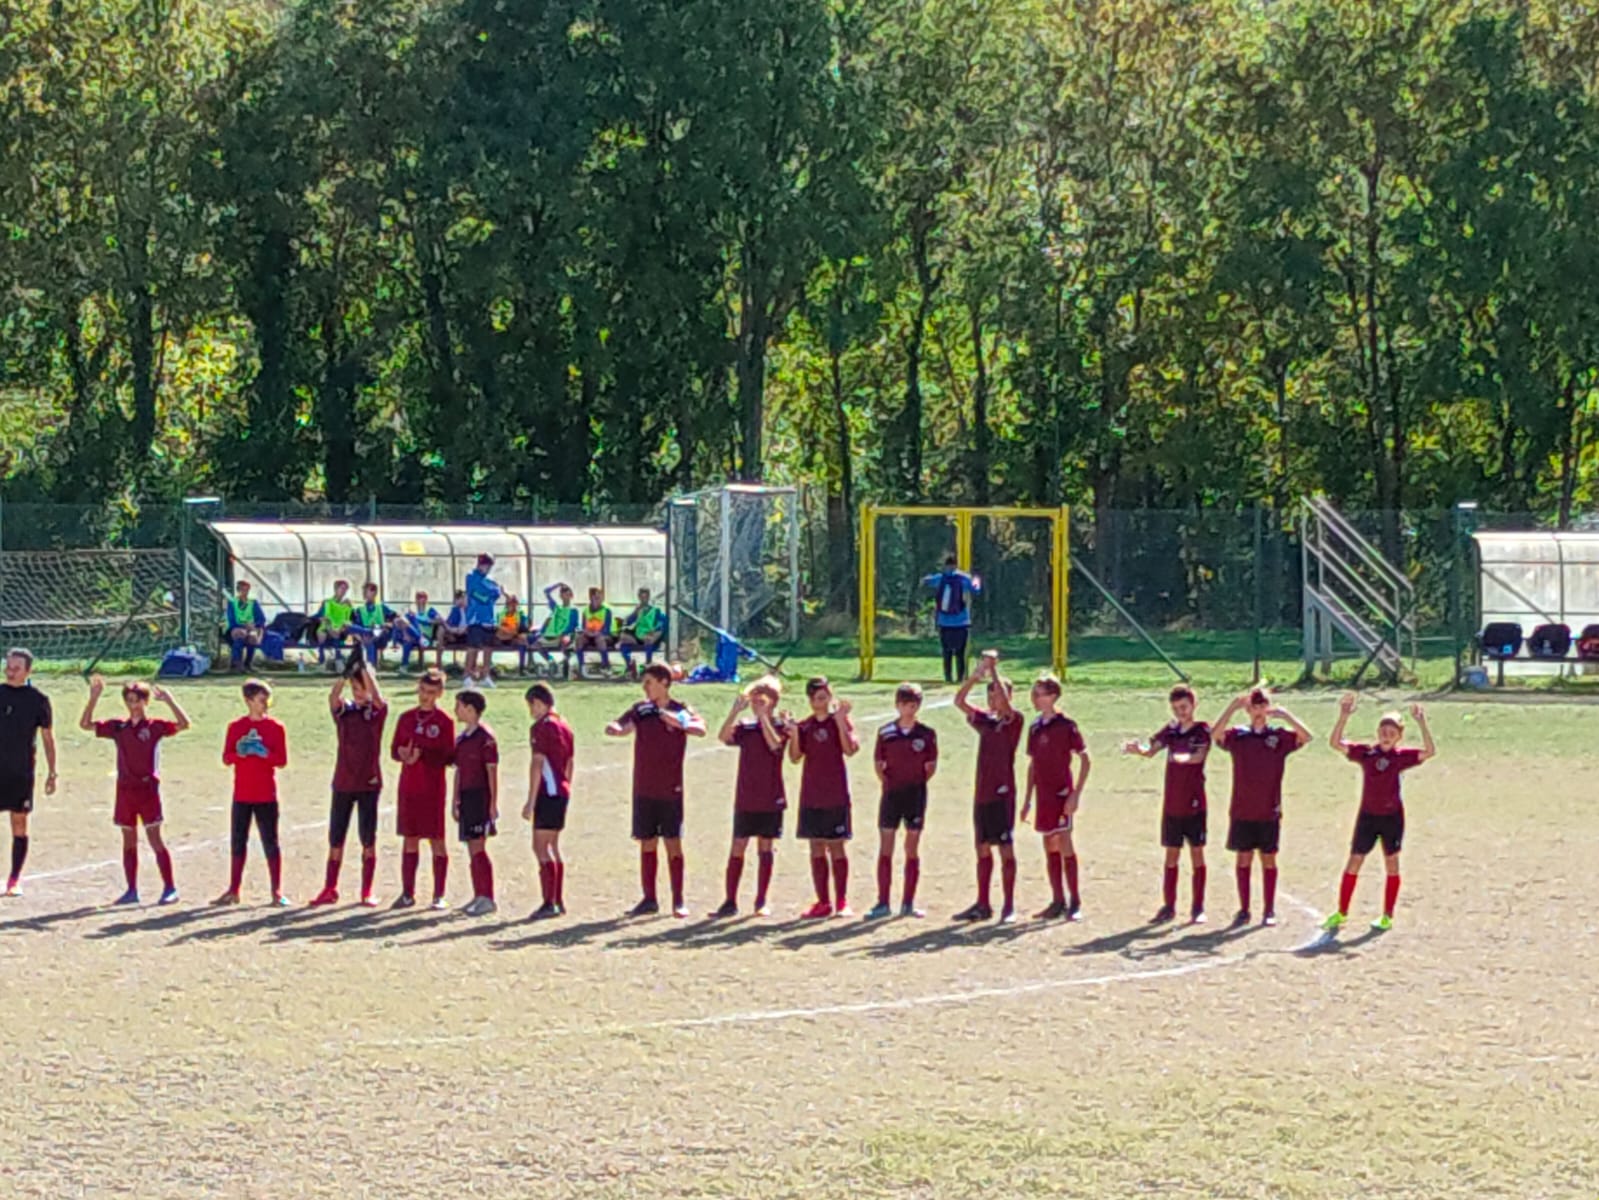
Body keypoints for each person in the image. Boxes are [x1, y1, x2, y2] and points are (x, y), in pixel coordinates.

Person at [1322, 695, 1437, 933]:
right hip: (1367, 817)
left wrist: (1422, 722)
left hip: (1392, 818)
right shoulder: (1366, 753)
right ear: (1378, 731)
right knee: (1354, 861)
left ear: (1399, 736)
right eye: (1384, 730)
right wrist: (1343, 716)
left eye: (1392, 731)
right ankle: (1341, 912)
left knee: (1391, 864)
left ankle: (1387, 915)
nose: (1387, 734)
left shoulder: (1400, 757)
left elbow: (1429, 751)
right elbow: (1335, 743)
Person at [606, 662, 706, 918]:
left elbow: (700, 728)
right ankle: (649, 899)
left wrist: (676, 721)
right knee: (646, 843)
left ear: (664, 683)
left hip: (670, 789)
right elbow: (624, 726)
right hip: (643, 788)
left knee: (673, 843)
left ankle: (678, 900)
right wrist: (616, 729)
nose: (645, 687)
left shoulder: (680, 709)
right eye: (644, 682)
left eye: (649, 682)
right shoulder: (641, 710)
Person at [80, 675, 189, 906]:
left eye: (138, 700)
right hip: (125, 790)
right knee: (128, 840)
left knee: (154, 838)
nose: (134, 705)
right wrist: (94, 697)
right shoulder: (119, 727)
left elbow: (183, 724)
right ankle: (131, 890)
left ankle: (170, 887)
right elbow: (86, 725)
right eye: (130, 700)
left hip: (147, 788)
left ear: (145, 702)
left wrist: (170, 700)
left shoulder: (155, 727)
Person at [1213, 687, 1312, 927]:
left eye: (1263, 706)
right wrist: (1231, 707)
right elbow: (1215, 735)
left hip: (1269, 809)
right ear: (1248, 710)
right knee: (1243, 859)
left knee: (1268, 859)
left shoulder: (1278, 737)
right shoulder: (1238, 736)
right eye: (1254, 706)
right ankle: (1244, 909)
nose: (1258, 711)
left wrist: (1286, 715)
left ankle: (1269, 910)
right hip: (1242, 810)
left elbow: (1306, 737)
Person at [1123, 684, 1210, 924]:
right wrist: (1138, 749)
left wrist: (1184, 758)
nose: (1180, 712)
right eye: (1176, 708)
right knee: (1171, 855)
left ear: (1194, 704)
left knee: (1197, 854)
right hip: (1172, 804)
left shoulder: (1202, 731)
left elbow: (1199, 756)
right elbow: (1152, 750)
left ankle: (1197, 907)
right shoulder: (1171, 730)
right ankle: (1168, 906)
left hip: (1194, 804)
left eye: (1184, 707)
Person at [310, 660, 388, 908]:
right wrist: (344, 675)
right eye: (355, 688)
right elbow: (333, 697)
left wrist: (366, 669)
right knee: (336, 838)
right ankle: (330, 887)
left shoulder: (376, 713)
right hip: (343, 782)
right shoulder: (346, 712)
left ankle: (367, 890)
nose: (358, 693)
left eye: (362, 688)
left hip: (368, 783)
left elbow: (379, 699)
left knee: (368, 838)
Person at [711, 676, 789, 919]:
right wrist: (735, 711)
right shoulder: (745, 727)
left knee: (765, 846)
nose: (758, 700)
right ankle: (730, 900)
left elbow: (776, 747)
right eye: (756, 696)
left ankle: (761, 900)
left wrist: (764, 717)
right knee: (738, 845)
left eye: (763, 696)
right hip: (746, 796)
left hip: (770, 796)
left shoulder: (781, 724)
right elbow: (724, 737)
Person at [954, 654, 1023, 922]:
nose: (995, 699)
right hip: (982, 792)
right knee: (982, 847)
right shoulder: (985, 720)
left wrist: (995, 672)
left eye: (1000, 694)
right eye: (991, 695)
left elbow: (1006, 707)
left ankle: (1009, 905)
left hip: (1003, 793)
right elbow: (959, 701)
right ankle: (983, 903)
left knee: (1006, 848)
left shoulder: (1013, 721)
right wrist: (977, 675)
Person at [1021, 672, 1090, 920]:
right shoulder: (1035, 727)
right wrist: (1028, 798)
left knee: (1064, 842)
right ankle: (1057, 899)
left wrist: (1076, 794)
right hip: (1043, 795)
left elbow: (1085, 759)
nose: (1035, 698)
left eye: (1039, 693)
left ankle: (1075, 900)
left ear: (1052, 696)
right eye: (1034, 693)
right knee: (1048, 842)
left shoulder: (1066, 725)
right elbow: (1033, 765)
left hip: (1062, 793)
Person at [867, 683, 938, 919]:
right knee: (886, 845)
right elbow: (879, 765)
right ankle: (883, 902)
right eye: (906, 704)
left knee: (911, 847)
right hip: (891, 795)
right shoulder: (885, 732)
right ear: (897, 705)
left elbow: (930, 767)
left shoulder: (926, 734)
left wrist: (914, 782)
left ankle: (908, 902)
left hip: (915, 795)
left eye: (915, 704)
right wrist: (890, 783)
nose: (911, 708)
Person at [790, 676, 859, 919]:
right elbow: (795, 756)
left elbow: (850, 749)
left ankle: (842, 901)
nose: (824, 701)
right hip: (811, 795)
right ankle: (823, 901)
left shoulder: (839, 721)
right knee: (816, 846)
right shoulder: (805, 726)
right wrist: (793, 733)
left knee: (836, 846)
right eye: (819, 697)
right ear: (810, 701)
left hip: (836, 794)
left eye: (827, 696)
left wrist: (841, 722)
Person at [216, 679, 289, 906]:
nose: (265, 703)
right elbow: (226, 758)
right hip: (242, 795)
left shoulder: (276, 728)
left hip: (266, 795)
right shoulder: (236, 727)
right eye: (260, 699)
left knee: (271, 842)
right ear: (248, 701)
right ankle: (233, 889)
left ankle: (277, 891)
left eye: (266, 698)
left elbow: (282, 760)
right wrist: (241, 753)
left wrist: (264, 753)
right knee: (238, 842)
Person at [390, 668, 456, 909]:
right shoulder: (406, 718)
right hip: (409, 787)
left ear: (439, 693)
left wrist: (424, 755)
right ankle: (407, 893)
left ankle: (439, 895)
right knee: (410, 838)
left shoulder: (445, 722)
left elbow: (449, 757)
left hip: (433, 788)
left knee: (437, 839)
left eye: (430, 692)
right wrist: (402, 754)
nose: (425, 696)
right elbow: (394, 749)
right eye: (422, 690)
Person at [0, 648, 55, 897]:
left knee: (19, 823)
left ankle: (14, 879)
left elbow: (47, 737)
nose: (10, 672)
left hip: (20, 772)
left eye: (16, 668)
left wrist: (52, 771)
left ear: (28, 671)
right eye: (7, 667)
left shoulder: (38, 700)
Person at [523, 683, 574, 919]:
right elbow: (570, 762)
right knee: (553, 845)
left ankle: (549, 901)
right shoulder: (565, 726)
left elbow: (538, 763)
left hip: (547, 791)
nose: (530, 711)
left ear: (538, 703)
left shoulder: (541, 727)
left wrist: (531, 801)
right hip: (562, 790)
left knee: (540, 846)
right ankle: (558, 899)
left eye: (530, 706)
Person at [452, 690, 500, 917]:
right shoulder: (461, 739)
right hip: (467, 797)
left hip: (480, 796)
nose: (455, 710)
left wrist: (492, 803)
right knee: (471, 846)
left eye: (459, 706)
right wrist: (455, 799)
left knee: (478, 846)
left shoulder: (485, 738)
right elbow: (459, 771)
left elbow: (492, 772)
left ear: (470, 709)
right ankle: (478, 894)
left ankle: (487, 897)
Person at [922, 555, 982, 684]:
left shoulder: (941, 578)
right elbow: (976, 589)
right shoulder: (964, 578)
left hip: (944, 622)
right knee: (960, 652)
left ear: (945, 565)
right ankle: (960, 678)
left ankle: (948, 677)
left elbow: (926, 581)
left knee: (947, 651)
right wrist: (977, 579)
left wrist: (929, 576)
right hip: (962, 622)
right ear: (956, 565)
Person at [463, 554, 502, 688]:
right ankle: (467, 676)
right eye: (486, 565)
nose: (488, 568)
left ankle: (485, 676)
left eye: (490, 566)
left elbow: (497, 592)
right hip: (475, 620)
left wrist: (491, 592)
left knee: (488, 648)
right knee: (473, 649)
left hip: (489, 619)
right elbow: (477, 592)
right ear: (480, 564)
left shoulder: (490, 580)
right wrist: (490, 592)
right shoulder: (471, 577)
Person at [531, 583, 579, 678]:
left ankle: (566, 667)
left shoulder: (573, 610)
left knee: (565, 642)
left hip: (564, 636)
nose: (565, 596)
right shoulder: (556, 608)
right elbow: (546, 591)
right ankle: (551, 661)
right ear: (560, 596)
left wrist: (564, 633)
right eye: (563, 593)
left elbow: (572, 625)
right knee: (536, 644)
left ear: (571, 596)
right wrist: (558, 585)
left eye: (568, 593)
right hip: (552, 636)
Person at [619, 587, 667, 679]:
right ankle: (630, 666)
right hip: (638, 636)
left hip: (650, 636)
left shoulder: (655, 610)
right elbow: (628, 622)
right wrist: (635, 612)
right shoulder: (638, 609)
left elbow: (660, 624)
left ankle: (647, 665)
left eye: (645, 597)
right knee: (623, 642)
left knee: (648, 640)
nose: (643, 599)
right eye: (641, 597)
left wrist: (654, 631)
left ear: (648, 597)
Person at [351, 582, 400, 668]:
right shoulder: (359, 610)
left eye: (367, 591)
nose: (364, 593)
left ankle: (370, 667)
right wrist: (362, 637)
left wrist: (385, 624)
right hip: (365, 636)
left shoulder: (382, 608)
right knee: (360, 633)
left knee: (377, 631)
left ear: (375, 593)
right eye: (364, 591)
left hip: (380, 637)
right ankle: (371, 667)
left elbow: (396, 619)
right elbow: (356, 626)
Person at [574, 586, 616, 679]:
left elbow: (607, 628)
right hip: (590, 635)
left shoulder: (606, 611)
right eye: (596, 597)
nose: (599, 599)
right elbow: (584, 627)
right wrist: (587, 632)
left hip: (604, 636)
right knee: (579, 639)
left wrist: (597, 633)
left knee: (600, 639)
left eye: (600, 597)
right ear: (591, 598)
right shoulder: (586, 611)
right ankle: (582, 667)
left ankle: (605, 665)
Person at [225, 580, 266, 672]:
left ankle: (248, 664)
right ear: (238, 590)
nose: (245, 592)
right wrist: (243, 626)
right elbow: (231, 620)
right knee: (240, 634)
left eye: (246, 590)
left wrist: (254, 625)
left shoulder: (253, 602)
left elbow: (261, 618)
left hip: (251, 627)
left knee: (252, 637)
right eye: (242, 590)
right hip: (236, 627)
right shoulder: (232, 602)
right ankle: (236, 664)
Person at [314, 580, 356, 669]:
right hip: (328, 627)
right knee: (323, 632)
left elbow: (349, 619)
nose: (344, 591)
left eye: (345, 589)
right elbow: (321, 616)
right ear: (336, 589)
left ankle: (330, 660)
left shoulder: (347, 604)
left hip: (341, 629)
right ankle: (328, 660)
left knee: (335, 632)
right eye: (342, 588)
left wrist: (351, 608)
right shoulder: (327, 602)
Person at [395, 591, 442, 671]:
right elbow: (402, 623)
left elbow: (439, 620)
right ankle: (404, 666)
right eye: (418, 598)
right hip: (415, 638)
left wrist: (425, 620)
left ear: (426, 600)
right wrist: (405, 634)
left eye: (423, 598)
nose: (420, 600)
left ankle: (418, 637)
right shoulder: (412, 612)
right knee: (407, 640)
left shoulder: (430, 611)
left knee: (410, 620)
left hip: (426, 640)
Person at [434, 589, 469, 671]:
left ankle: (469, 667)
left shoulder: (471, 610)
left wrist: (452, 628)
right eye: (456, 598)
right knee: (441, 629)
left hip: (467, 635)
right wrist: (442, 621)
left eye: (459, 598)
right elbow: (449, 624)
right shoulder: (455, 609)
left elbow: (467, 628)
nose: (456, 601)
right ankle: (439, 665)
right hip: (455, 633)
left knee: (470, 634)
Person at [495, 595, 530, 673]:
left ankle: (522, 668)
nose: (513, 606)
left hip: (512, 637)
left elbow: (516, 630)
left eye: (515, 603)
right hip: (502, 638)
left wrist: (509, 631)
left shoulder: (518, 614)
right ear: (507, 604)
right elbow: (499, 628)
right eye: (511, 603)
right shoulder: (502, 614)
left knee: (522, 642)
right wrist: (508, 630)